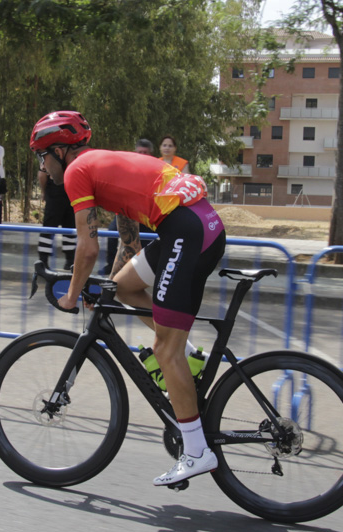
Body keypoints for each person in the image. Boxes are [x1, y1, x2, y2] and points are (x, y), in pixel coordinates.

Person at [32, 111, 226, 486]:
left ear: (58, 150)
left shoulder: (75, 173)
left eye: (43, 156)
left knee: (163, 349)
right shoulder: (96, 165)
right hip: (193, 226)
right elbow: (129, 239)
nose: (44, 165)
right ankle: (187, 360)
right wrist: (103, 286)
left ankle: (197, 451)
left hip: (187, 231)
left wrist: (72, 295)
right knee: (123, 287)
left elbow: (86, 250)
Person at [102, 139, 157, 273]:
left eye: (145, 152)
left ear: (150, 154)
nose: (142, 155)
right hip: (126, 212)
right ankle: (111, 265)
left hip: (146, 214)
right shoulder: (127, 167)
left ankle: (144, 270)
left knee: (148, 240)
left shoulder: (154, 170)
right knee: (112, 232)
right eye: (140, 152)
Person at [36, 166, 75, 270]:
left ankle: (43, 261)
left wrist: (44, 192)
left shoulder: (50, 153)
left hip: (55, 191)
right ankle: (70, 261)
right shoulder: (74, 152)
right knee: (70, 228)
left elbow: (42, 174)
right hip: (71, 191)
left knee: (49, 228)